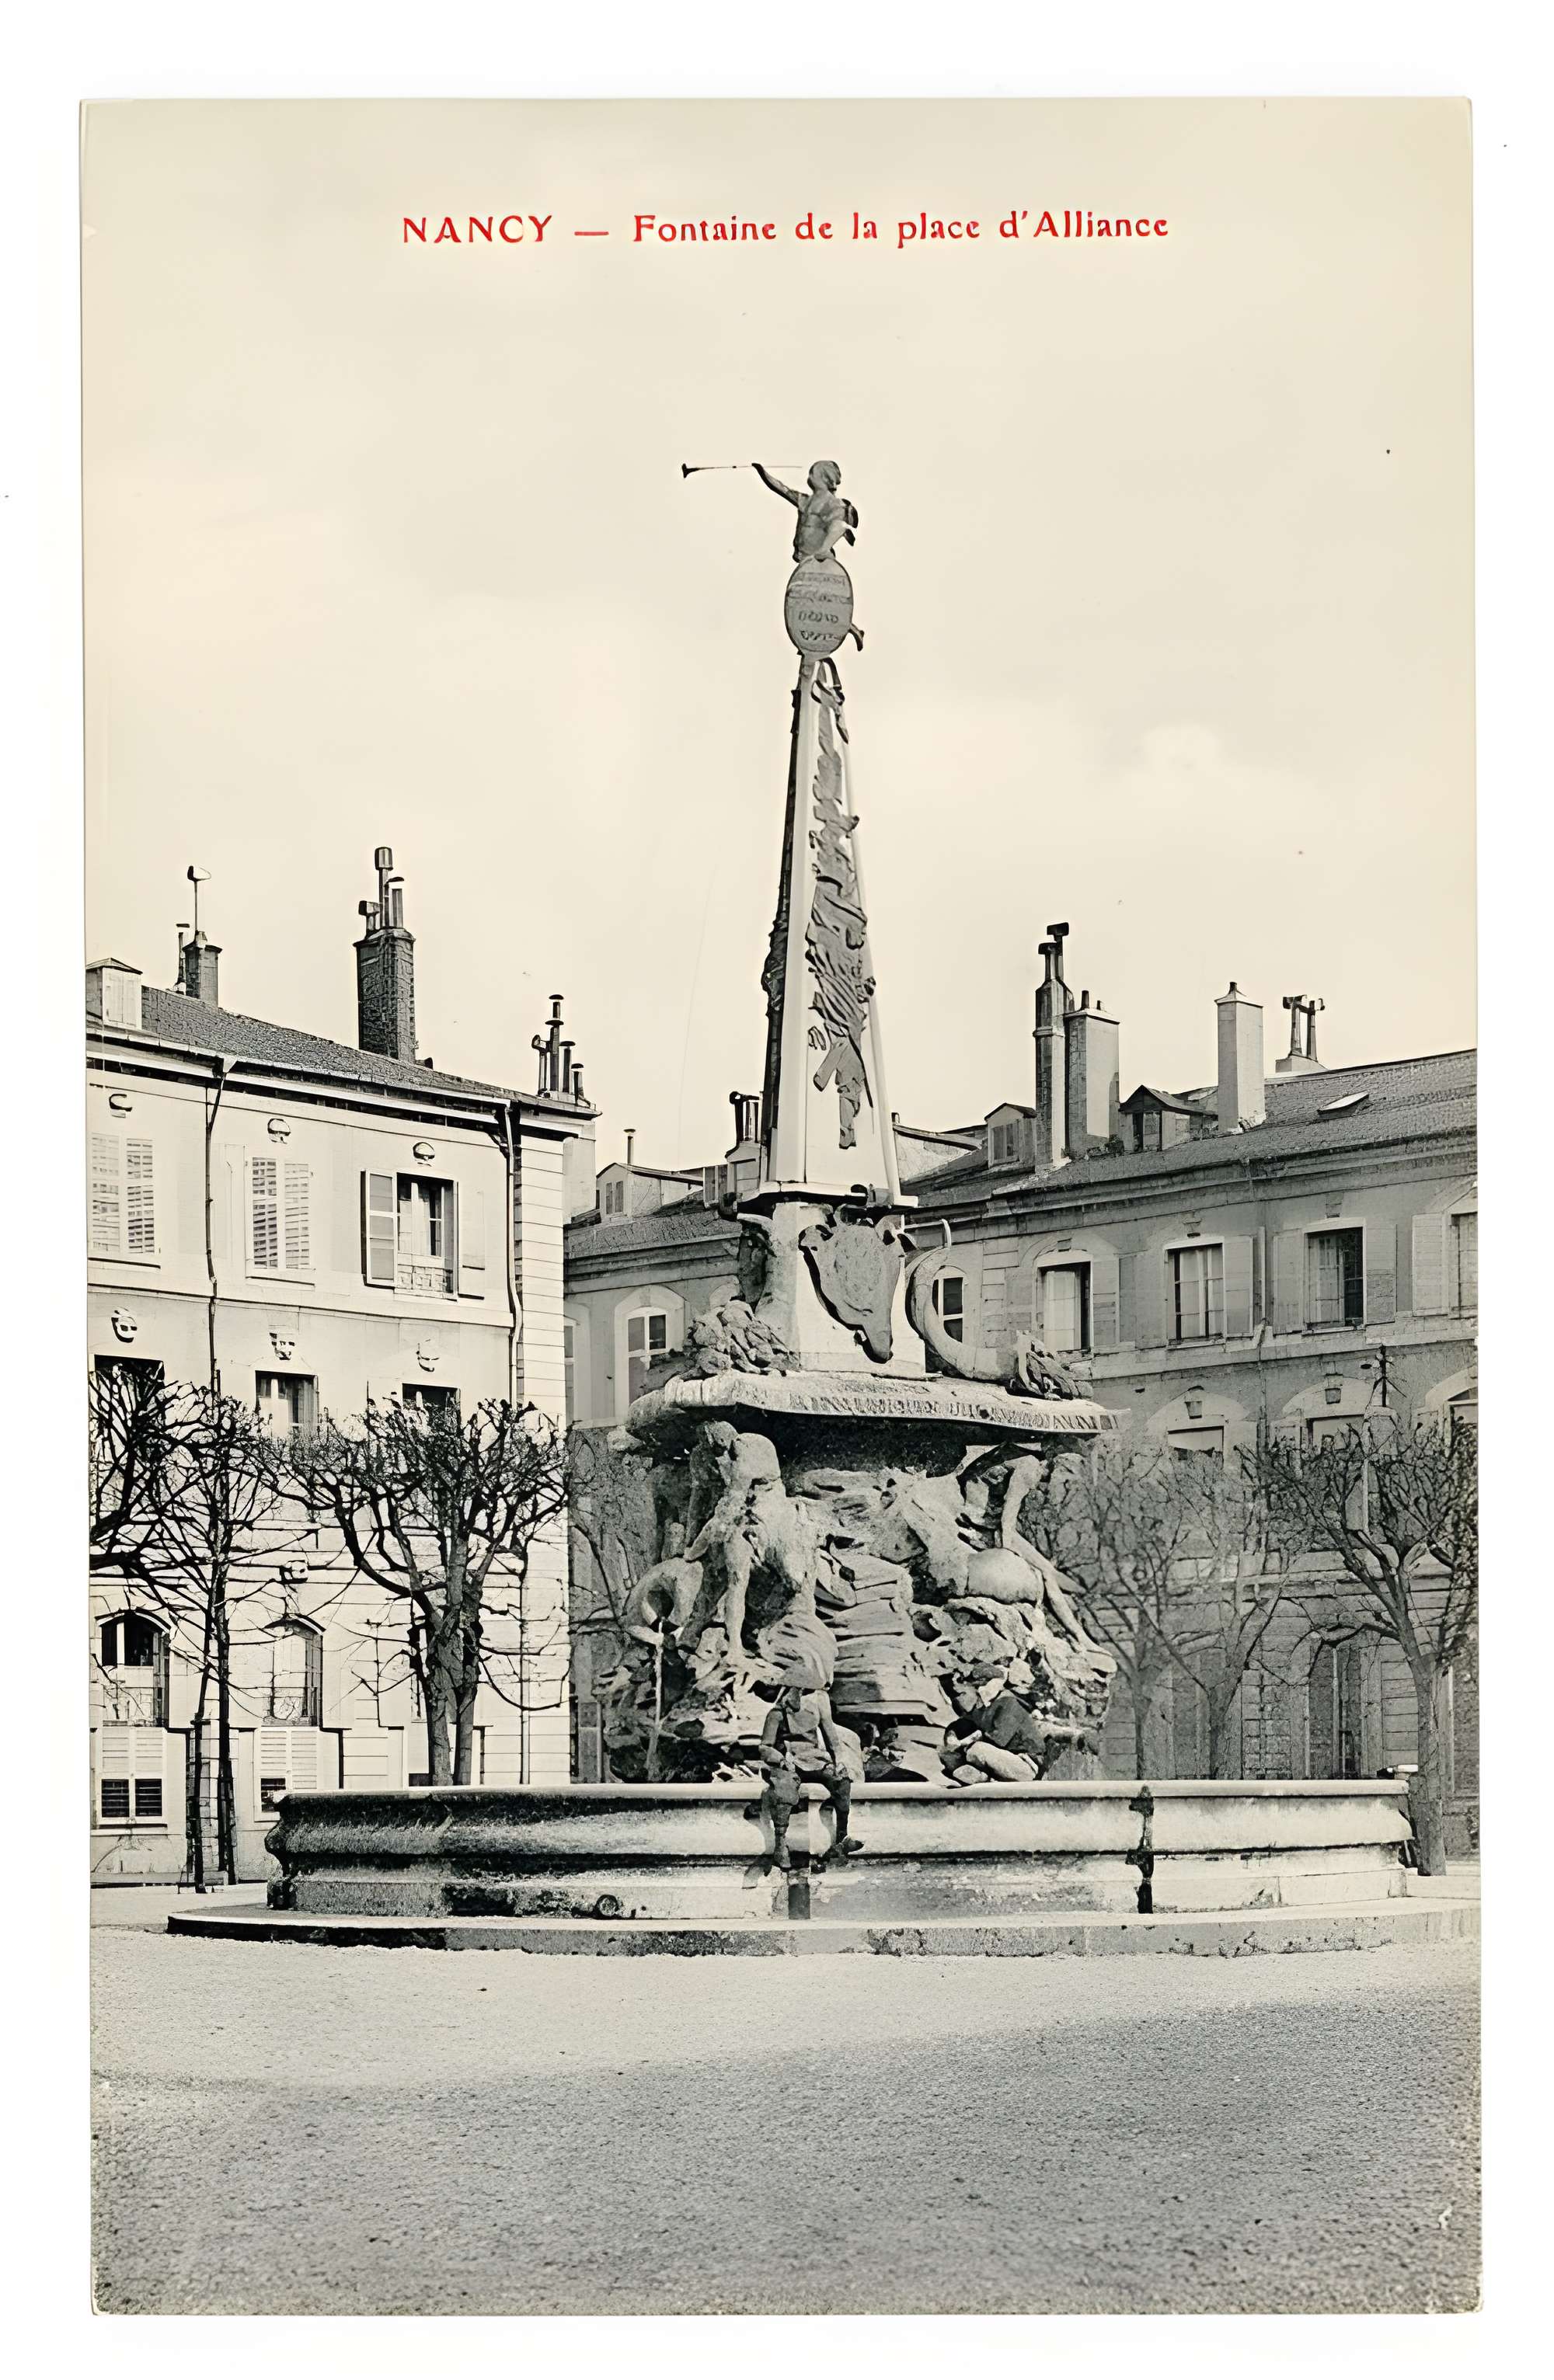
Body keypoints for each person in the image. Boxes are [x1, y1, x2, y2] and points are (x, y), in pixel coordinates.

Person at [758, 1653, 865, 1870]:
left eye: (808, 1691)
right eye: (801, 1690)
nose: (805, 1695)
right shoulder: (777, 1714)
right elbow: (764, 1746)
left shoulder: (816, 1709)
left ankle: (842, 1838)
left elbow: (831, 1736)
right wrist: (779, 1759)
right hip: (787, 1760)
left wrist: (840, 1759)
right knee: (785, 1789)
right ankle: (780, 1845)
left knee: (842, 1781)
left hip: (814, 1759)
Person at [943, 1661, 1054, 1784]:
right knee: (948, 1754)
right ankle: (980, 1776)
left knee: (977, 1750)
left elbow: (999, 1740)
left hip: (1027, 1765)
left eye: (982, 1684)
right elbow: (962, 1724)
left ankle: (983, 1778)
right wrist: (952, 1735)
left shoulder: (1008, 1703)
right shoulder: (984, 1708)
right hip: (1006, 1761)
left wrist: (965, 1744)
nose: (980, 1689)